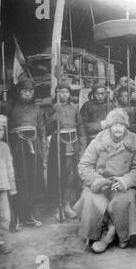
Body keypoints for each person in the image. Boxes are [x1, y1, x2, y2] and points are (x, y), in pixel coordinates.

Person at [74, 109, 136, 253]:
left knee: (124, 200)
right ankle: (99, 232)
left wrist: (125, 181)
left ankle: (115, 233)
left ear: (126, 126)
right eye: (114, 125)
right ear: (109, 126)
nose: (118, 128)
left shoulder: (133, 142)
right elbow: (84, 165)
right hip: (101, 183)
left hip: (122, 183)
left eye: (121, 124)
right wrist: (97, 180)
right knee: (91, 198)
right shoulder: (97, 142)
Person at [1, 78, 46, 229]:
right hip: (15, 150)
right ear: (19, 91)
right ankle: (16, 218)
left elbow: (42, 131)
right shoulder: (9, 106)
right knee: (18, 182)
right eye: (24, 90)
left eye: (30, 90)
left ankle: (28, 216)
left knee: (32, 183)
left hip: (33, 149)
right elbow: (3, 129)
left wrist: (42, 152)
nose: (27, 93)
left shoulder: (37, 109)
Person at [46, 82, 87, 220]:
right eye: (60, 92)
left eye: (66, 92)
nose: (63, 94)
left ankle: (67, 204)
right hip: (58, 144)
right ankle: (59, 206)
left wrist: (82, 148)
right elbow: (46, 129)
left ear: (69, 94)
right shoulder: (51, 108)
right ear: (56, 93)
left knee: (72, 175)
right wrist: (53, 117)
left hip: (73, 144)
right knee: (59, 174)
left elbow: (81, 130)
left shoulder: (74, 108)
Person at [0, 114, 16, 254]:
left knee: (3, 214)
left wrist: (12, 187)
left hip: (2, 186)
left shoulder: (5, 147)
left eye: (0, 130)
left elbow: (10, 167)